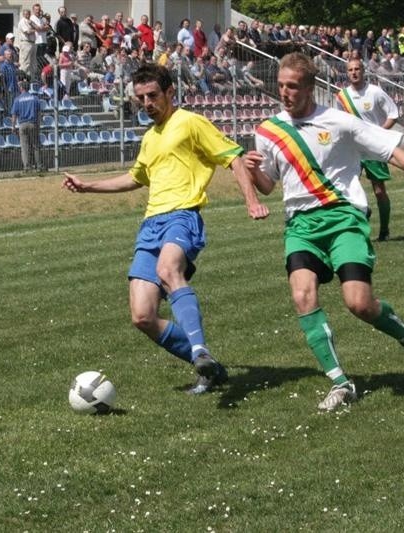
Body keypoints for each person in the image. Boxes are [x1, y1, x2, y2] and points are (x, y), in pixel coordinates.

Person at [247, 52, 404, 411]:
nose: (285, 93)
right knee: (302, 297)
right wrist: (251, 170)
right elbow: (267, 185)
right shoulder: (268, 131)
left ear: (310, 87)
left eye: (292, 86)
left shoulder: (339, 121)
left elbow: (387, 149)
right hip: (301, 226)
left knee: (358, 303)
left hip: (344, 218)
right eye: (281, 85)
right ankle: (340, 383)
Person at [62, 64, 268, 395]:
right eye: (141, 97)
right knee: (142, 316)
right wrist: (88, 187)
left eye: (153, 96)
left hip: (183, 216)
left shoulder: (190, 122)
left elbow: (233, 158)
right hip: (150, 225)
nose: (147, 103)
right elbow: (135, 178)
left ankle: (199, 349)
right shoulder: (149, 138)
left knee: (168, 269)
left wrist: (251, 201)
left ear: (170, 92)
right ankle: (209, 366)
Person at [335, 58, 400, 241]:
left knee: (379, 191)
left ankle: (385, 230)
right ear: (346, 73)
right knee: (345, 189)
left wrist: (378, 134)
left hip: (372, 149)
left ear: (363, 71)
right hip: (352, 149)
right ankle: (364, 209)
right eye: (350, 70)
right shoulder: (342, 96)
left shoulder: (375, 92)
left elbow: (393, 114)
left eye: (357, 69)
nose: (354, 72)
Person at [10, 80, 44, 172]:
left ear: (21, 88)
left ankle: (27, 167)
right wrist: (39, 124)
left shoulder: (17, 99)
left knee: (24, 147)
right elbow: (39, 113)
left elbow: (14, 114)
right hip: (33, 123)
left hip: (22, 124)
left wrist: (13, 126)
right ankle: (39, 166)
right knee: (36, 145)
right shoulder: (35, 98)